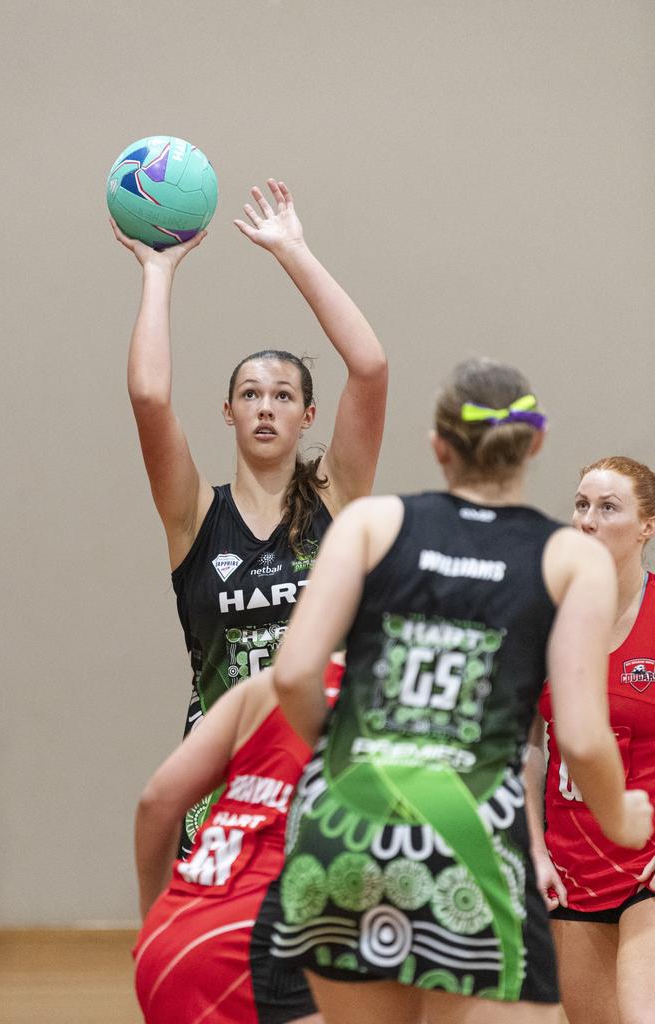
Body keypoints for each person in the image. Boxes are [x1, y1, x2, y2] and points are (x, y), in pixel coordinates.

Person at [267, 358, 654, 1023]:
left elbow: (294, 674)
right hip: (464, 832)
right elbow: (585, 739)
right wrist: (623, 817)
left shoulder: (370, 523)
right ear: (535, 443)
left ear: (438, 446)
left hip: (341, 828)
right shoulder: (566, 558)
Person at [112, 177, 387, 849]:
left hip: (329, 780)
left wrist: (293, 250)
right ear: (229, 412)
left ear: (307, 416)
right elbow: (149, 397)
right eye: (251, 394)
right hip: (223, 785)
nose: (266, 406)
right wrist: (156, 270)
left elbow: (371, 368)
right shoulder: (193, 518)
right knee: (224, 957)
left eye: (284, 395)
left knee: (318, 956)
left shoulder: (338, 494)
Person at [133, 659, 344, 1024]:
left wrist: (153, 920)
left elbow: (157, 802)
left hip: (171, 936)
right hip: (257, 941)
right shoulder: (388, 704)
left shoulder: (261, 689)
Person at [524, 456, 655, 1024]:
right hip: (572, 865)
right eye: (581, 505)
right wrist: (532, 847)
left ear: (647, 526)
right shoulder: (542, 620)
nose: (588, 521)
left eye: (608, 508)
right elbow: (524, 748)